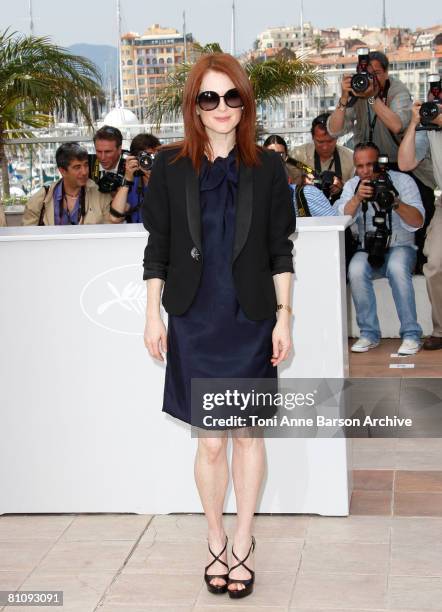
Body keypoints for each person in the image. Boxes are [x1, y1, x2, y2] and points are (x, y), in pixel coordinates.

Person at [142, 53, 295, 599]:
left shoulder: (269, 167)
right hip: (196, 321)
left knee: (248, 438)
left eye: (232, 96)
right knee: (210, 445)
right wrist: (152, 314)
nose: (222, 107)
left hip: (252, 320)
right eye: (210, 97)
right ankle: (214, 539)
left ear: (244, 102)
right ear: (195, 105)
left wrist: (285, 319)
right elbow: (157, 248)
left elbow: (281, 249)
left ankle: (245, 542)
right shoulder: (171, 165)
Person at [327, 51, 435, 271]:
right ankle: (368, 253)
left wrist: (371, 97)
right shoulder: (356, 92)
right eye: (367, 73)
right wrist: (344, 99)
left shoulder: (397, 91)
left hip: (403, 164)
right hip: (368, 164)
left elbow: (397, 125)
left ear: (386, 73)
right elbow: (334, 129)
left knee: (419, 204)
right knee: (363, 207)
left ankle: (420, 261)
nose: (371, 79)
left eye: (376, 73)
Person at [336, 142, 425, 355]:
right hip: (367, 248)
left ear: (381, 163)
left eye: (371, 164)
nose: (366, 171)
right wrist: (357, 198)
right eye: (360, 166)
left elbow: (418, 221)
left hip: (400, 245)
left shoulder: (403, 181)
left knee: (396, 267)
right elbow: (340, 218)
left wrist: (395, 203)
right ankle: (368, 334)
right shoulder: (352, 185)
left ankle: (411, 335)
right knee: (355, 270)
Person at [398, 101, 442, 350]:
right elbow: (405, 163)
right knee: (434, 264)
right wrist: (416, 122)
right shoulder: (430, 128)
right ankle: (440, 329)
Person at [23, 143, 111, 226]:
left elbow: (110, 233)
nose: (84, 172)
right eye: (77, 167)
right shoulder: (39, 200)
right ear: (62, 171)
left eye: (86, 165)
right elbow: (28, 237)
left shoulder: (101, 196)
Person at [263, 134, 336, 216]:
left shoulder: (306, 191)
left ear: (286, 156)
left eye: (280, 155)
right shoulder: (256, 191)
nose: (275, 159)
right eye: (270, 154)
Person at [291, 113, 354, 201]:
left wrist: (343, 188)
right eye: (320, 142)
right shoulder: (297, 155)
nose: (325, 147)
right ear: (312, 137)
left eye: (330, 141)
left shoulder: (351, 158)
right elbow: (289, 187)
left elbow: (355, 192)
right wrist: (302, 183)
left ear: (337, 138)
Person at [109, 133, 161, 223]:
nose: (148, 161)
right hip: (137, 235)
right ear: (136, 159)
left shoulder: (167, 180)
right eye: (145, 157)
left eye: (153, 156)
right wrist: (127, 179)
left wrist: (156, 182)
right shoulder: (132, 183)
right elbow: (115, 217)